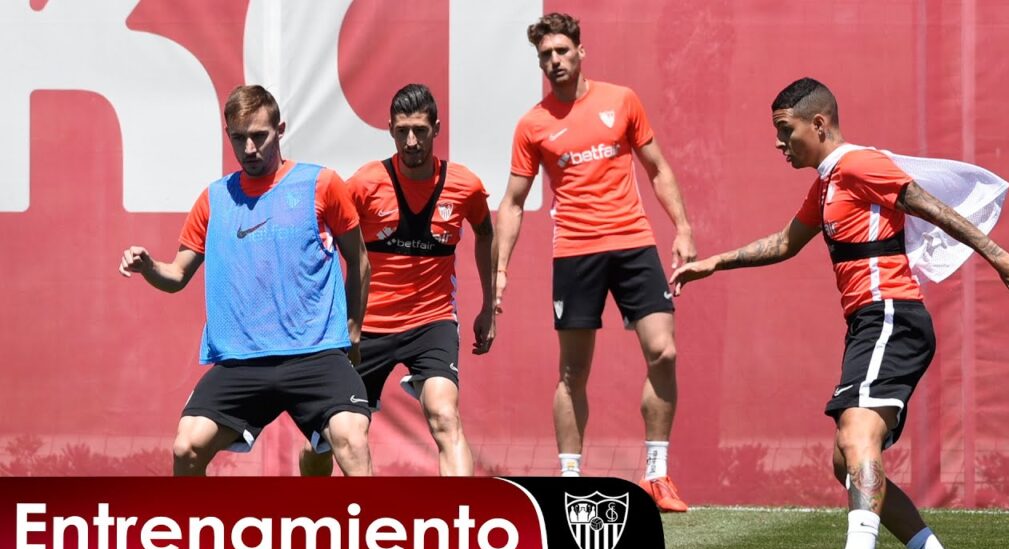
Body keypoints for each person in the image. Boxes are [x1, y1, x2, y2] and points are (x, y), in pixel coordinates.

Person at [672, 77, 1009, 549]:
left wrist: (998, 256)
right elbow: (785, 243)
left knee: (857, 429)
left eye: (786, 129)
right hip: (870, 323)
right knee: (848, 460)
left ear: (818, 124)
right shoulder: (826, 184)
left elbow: (930, 206)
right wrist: (714, 263)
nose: (779, 142)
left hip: (890, 314)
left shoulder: (860, 164)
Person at [494, 12, 696, 512]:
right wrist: (500, 269)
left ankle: (657, 473)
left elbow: (657, 168)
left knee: (664, 352)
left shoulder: (621, 100)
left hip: (633, 243)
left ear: (580, 51)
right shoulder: (533, 124)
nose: (554, 61)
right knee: (572, 373)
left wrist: (683, 228)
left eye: (562, 51)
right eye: (545, 55)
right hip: (575, 252)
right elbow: (513, 203)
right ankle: (569, 479)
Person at [118, 85, 373, 477]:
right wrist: (149, 266)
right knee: (186, 448)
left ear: (280, 130)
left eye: (259, 136)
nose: (249, 148)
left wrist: (354, 329)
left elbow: (359, 260)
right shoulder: (215, 199)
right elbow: (176, 275)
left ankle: (352, 511)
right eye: (239, 138)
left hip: (316, 354)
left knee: (352, 440)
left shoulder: (322, 184)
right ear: (229, 135)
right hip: (242, 362)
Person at [299, 83, 495, 477]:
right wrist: (334, 317)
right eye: (402, 130)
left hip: (432, 322)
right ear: (389, 128)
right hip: (366, 328)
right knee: (329, 438)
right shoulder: (364, 184)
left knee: (445, 415)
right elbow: (323, 239)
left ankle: (461, 513)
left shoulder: (465, 186)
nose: (411, 141)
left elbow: (486, 234)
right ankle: (314, 504)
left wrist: (489, 306)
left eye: (420, 130)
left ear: (436, 128)